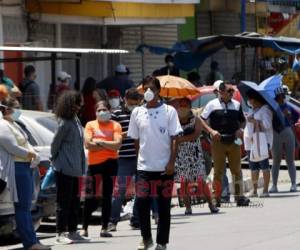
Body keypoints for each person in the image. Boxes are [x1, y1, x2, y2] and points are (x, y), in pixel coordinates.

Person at [128, 76, 182, 250]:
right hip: (144, 167)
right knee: (142, 203)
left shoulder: (169, 111)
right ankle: (146, 238)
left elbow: (175, 138)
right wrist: (140, 159)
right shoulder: (137, 112)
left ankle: (162, 242)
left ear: (159, 91)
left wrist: (171, 162)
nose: (149, 92)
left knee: (163, 207)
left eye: (152, 88)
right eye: (146, 89)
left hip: (164, 167)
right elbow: (135, 140)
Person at [0, 98, 51, 250]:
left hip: (25, 166)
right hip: (17, 167)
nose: (18, 111)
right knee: (22, 207)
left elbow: (26, 142)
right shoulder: (2, 125)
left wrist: (33, 154)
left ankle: (32, 240)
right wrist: (31, 154)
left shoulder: (14, 124)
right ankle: (30, 242)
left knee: (26, 206)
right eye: (15, 107)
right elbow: (12, 147)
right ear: (7, 109)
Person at [200, 81, 250, 207]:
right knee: (218, 171)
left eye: (232, 91)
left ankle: (240, 198)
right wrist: (211, 131)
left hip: (234, 141)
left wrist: (241, 130)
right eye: (229, 91)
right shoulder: (212, 105)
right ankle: (216, 198)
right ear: (221, 92)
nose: (232, 93)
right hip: (218, 142)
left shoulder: (237, 105)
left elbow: (243, 121)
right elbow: (201, 119)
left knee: (237, 170)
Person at [50, 90, 87, 245]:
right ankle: (60, 233)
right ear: (72, 104)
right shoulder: (65, 122)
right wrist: (56, 160)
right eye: (78, 103)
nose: (81, 106)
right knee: (63, 202)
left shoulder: (76, 120)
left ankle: (72, 231)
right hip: (64, 168)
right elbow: (55, 144)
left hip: (76, 169)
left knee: (74, 202)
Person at [83, 100, 122, 238]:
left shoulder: (115, 125)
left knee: (107, 196)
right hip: (94, 165)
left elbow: (117, 145)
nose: (102, 112)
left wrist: (100, 142)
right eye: (99, 110)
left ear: (110, 111)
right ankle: (84, 227)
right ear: (95, 112)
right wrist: (108, 145)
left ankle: (104, 227)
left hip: (111, 164)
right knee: (90, 197)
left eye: (104, 109)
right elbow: (88, 144)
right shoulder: (90, 124)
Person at [174, 97, 219, 215]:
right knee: (183, 182)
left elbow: (195, 134)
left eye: (185, 105)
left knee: (201, 180)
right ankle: (188, 208)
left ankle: (211, 205)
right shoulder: (174, 120)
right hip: (181, 155)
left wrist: (180, 139)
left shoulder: (195, 119)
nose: (182, 108)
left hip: (195, 154)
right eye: (181, 105)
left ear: (189, 107)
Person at [109, 88, 143, 231]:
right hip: (124, 158)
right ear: (125, 100)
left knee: (141, 191)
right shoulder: (116, 114)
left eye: (136, 103)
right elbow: (112, 135)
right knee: (119, 191)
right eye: (131, 103)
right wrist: (130, 131)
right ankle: (112, 221)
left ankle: (136, 219)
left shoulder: (142, 112)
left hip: (141, 157)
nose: (133, 106)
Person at [244, 89, 273, 197]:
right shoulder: (253, 109)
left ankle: (265, 190)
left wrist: (255, 121)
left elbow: (267, 125)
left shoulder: (265, 110)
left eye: (250, 99)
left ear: (255, 100)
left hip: (261, 142)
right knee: (253, 167)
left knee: (264, 166)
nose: (249, 102)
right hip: (250, 143)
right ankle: (254, 190)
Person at [270, 87, 299, 193]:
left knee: (290, 160)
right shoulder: (271, 107)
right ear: (276, 97)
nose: (283, 97)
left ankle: (293, 184)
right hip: (275, 133)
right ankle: (274, 185)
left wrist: (289, 115)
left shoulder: (288, 105)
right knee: (276, 161)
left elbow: (296, 117)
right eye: (281, 96)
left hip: (287, 131)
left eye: (283, 95)